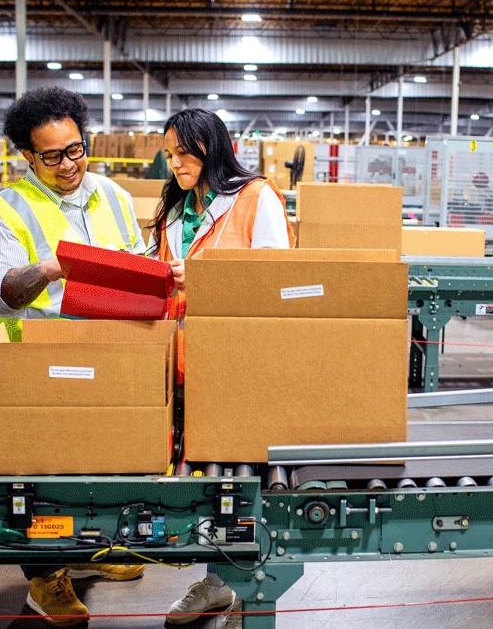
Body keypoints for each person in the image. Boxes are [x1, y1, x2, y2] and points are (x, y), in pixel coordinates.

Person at [0, 86, 147, 627]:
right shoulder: (5, 209)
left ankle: (98, 550)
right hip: (41, 360)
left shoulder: (114, 196)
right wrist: (49, 269)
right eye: (53, 156)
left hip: (112, 353)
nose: (69, 165)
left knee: (111, 458)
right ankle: (46, 576)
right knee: (39, 472)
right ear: (27, 155)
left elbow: (137, 263)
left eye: (76, 150)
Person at [148, 109, 294, 628]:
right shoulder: (174, 207)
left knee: (242, 483)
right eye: (168, 155)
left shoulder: (257, 198)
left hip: (240, 367)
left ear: (210, 147)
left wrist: (206, 277)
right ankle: (219, 583)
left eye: (182, 153)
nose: (175, 164)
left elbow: (277, 286)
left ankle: (244, 588)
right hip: (185, 366)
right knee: (207, 483)